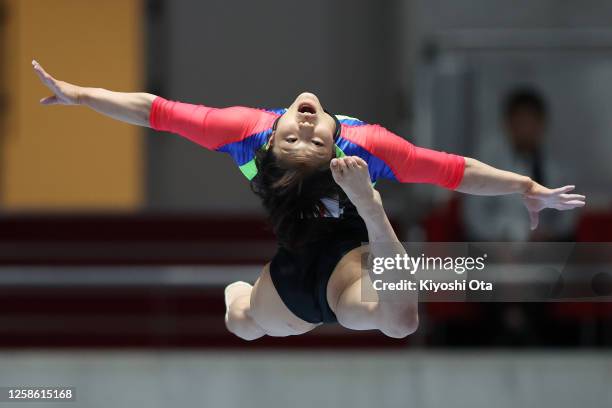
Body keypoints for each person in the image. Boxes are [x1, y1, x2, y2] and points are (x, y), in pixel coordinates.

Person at [31, 60, 586, 340]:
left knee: (401, 323)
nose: (301, 124)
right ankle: (243, 294)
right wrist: (79, 96)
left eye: (306, 134)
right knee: (241, 320)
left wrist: (523, 186)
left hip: (350, 263)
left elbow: (452, 170)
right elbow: (154, 111)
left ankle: (371, 214)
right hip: (292, 270)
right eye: (303, 135)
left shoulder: (347, 145)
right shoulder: (268, 134)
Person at [463, 86, 577, 241]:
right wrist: (503, 238)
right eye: (520, 121)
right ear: (508, 123)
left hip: (544, 246)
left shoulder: (556, 163)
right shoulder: (487, 159)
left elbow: (568, 214)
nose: (526, 128)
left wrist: (548, 234)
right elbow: (474, 215)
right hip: (495, 245)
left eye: (531, 121)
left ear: (542, 123)